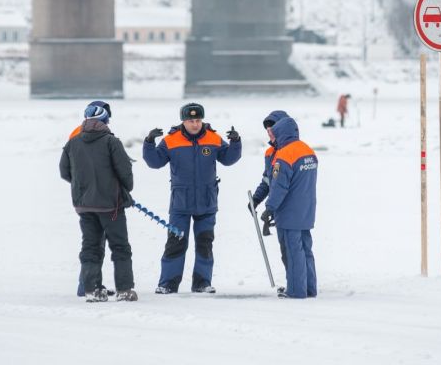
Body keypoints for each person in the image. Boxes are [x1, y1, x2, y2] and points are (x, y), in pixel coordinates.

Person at [143, 103, 242, 294]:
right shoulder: (171, 140)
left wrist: (236, 142)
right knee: (175, 243)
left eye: (198, 120)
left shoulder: (213, 138)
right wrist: (149, 143)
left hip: (207, 202)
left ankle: (202, 283)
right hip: (181, 203)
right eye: (190, 121)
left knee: (205, 243)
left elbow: (228, 159)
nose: (195, 124)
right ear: (183, 121)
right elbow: (154, 162)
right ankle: (167, 284)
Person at [60, 100, 138, 302]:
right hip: (110, 206)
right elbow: (125, 173)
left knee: (90, 247)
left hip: (84, 206)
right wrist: (122, 189)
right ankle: (124, 289)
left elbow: (65, 172)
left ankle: (92, 289)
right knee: (120, 247)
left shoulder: (72, 142)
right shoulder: (111, 141)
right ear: (105, 120)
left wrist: (83, 187)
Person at [261, 116, 318, 299]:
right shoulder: (308, 151)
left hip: (289, 212)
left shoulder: (284, 155)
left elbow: (279, 186)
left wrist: (270, 207)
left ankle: (296, 290)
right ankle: (309, 288)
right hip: (306, 210)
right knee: (306, 250)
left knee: (293, 252)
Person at [249, 110, 290, 292]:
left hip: (289, 207)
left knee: (293, 248)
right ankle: (296, 282)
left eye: (272, 128)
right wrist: (257, 198)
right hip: (276, 208)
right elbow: (268, 180)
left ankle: (297, 284)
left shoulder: (289, 151)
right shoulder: (269, 153)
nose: (269, 132)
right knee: (286, 249)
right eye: (267, 129)